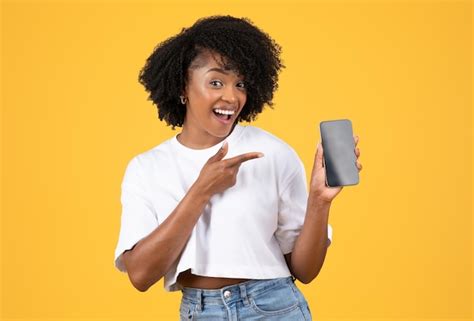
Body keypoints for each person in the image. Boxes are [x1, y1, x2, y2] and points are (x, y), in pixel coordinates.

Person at [114, 15, 362, 320]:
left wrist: (320, 202)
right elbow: (140, 275)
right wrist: (201, 191)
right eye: (216, 82)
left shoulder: (272, 153)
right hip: (200, 312)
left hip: (275, 307)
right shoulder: (146, 168)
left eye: (240, 84)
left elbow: (306, 271)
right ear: (183, 87)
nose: (231, 97)